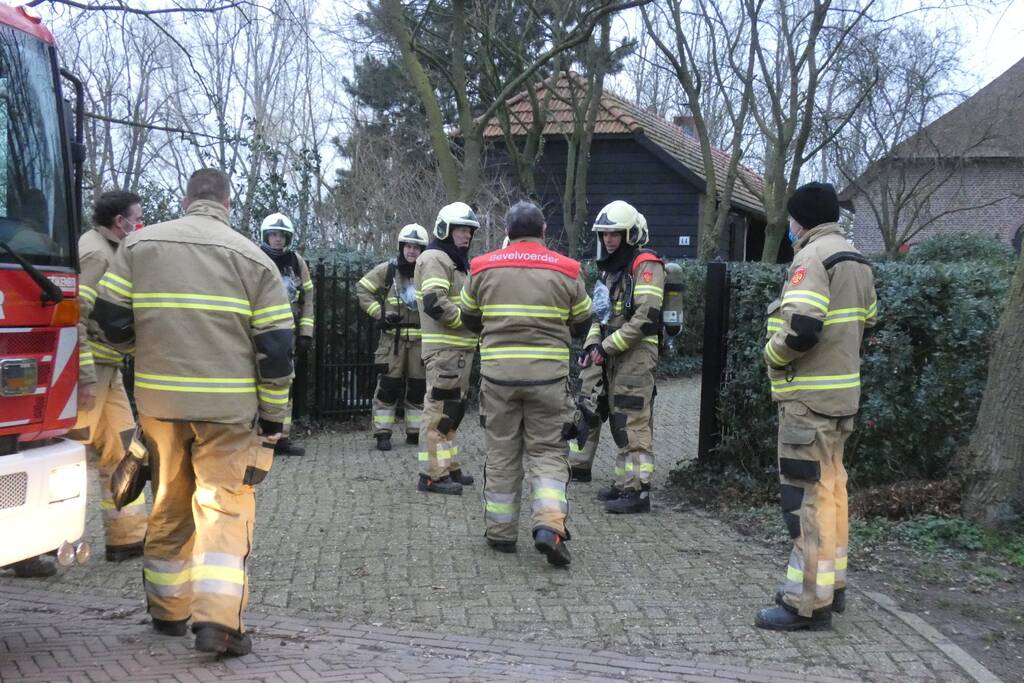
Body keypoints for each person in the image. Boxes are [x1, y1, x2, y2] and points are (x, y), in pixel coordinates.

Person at [91, 168, 294, 656]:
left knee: (168, 504)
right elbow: (276, 350)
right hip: (228, 411)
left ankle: (168, 613)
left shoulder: (139, 247)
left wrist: (144, 349)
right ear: (228, 203)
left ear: (186, 200)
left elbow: (109, 318)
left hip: (161, 405)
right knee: (223, 508)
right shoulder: (254, 260)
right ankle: (219, 624)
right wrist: (273, 418)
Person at [754, 182, 877, 631]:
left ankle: (806, 604)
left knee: (806, 500)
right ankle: (830, 587)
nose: (789, 226)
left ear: (800, 219)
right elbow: (868, 325)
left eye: (791, 218)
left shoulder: (811, 258)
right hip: (842, 399)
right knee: (832, 495)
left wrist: (772, 356)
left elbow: (802, 329)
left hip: (808, 402)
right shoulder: (856, 259)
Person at [460, 201, 591, 565]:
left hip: (498, 377)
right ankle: (549, 526)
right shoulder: (567, 269)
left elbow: (468, 318)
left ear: (507, 231)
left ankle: (501, 533)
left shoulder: (482, 267)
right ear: (544, 231)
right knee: (547, 453)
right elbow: (583, 322)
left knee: (502, 452)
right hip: (548, 379)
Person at [70, 190, 148, 562]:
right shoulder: (97, 255)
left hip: (107, 368)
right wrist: (84, 376)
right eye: (138, 218)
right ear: (120, 222)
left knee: (122, 447)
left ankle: (127, 537)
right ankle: (44, 544)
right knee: (70, 456)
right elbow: (75, 315)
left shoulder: (109, 250)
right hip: (90, 373)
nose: (141, 224)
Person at [574, 202, 665, 514]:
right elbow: (598, 316)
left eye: (615, 233)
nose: (609, 239)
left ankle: (638, 492)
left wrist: (606, 347)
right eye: (604, 234)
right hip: (614, 354)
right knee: (618, 419)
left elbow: (645, 318)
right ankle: (625, 483)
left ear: (631, 234)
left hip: (636, 356)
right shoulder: (609, 269)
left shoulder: (646, 265)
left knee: (633, 422)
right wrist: (591, 346)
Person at [414, 202, 480, 495]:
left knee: (452, 414)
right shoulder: (435, 258)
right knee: (438, 414)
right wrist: (470, 323)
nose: (467, 235)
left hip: (458, 352)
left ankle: (448, 468)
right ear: (445, 230)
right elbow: (435, 303)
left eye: (469, 231)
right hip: (445, 352)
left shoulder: (454, 261)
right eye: (461, 230)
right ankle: (432, 475)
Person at [357, 223, 429, 451]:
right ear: (401, 247)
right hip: (392, 341)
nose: (412, 251)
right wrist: (380, 314)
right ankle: (382, 433)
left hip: (420, 341)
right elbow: (363, 289)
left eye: (416, 247)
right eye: (408, 246)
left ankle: (415, 432)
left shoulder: (428, 272)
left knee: (418, 388)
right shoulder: (388, 270)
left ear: (422, 250)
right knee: (388, 387)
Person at [257, 212, 314, 457]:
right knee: (257, 384)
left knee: (285, 385)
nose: (277, 239)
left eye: (282, 235)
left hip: (287, 333)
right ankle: (258, 438)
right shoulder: (255, 258)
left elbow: (308, 298)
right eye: (273, 234)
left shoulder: (297, 262)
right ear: (266, 236)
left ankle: (282, 438)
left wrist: (306, 333)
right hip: (260, 331)